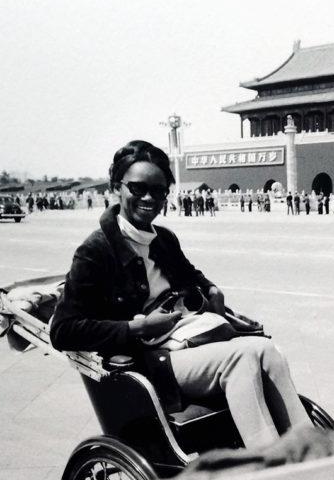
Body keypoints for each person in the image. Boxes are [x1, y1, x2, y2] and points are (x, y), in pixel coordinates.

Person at [50, 140, 312, 448]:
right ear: (116, 187)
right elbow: (63, 331)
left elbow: (193, 276)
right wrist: (138, 327)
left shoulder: (164, 240)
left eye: (159, 191)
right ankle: (271, 464)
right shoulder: (95, 251)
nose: (149, 198)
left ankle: (311, 449)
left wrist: (212, 290)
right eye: (137, 188)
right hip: (147, 360)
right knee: (241, 358)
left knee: (266, 351)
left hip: (187, 342)